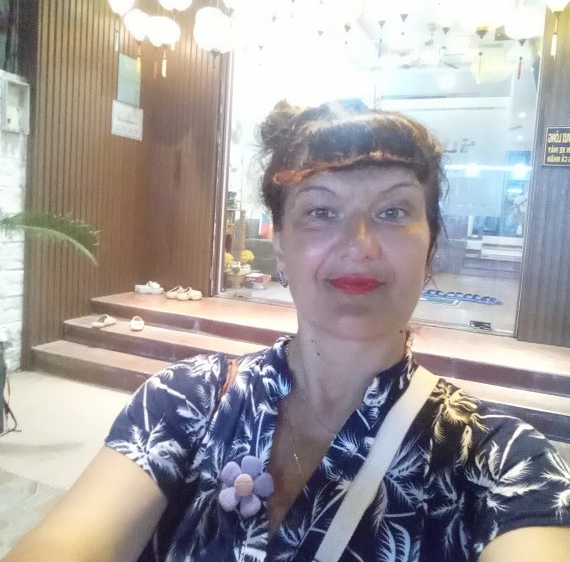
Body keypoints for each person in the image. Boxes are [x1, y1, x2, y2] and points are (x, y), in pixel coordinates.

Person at [4, 100, 570, 562]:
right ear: (279, 246)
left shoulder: (501, 459)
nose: (360, 245)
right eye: (321, 212)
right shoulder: (184, 402)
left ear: (431, 245)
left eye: (393, 212)